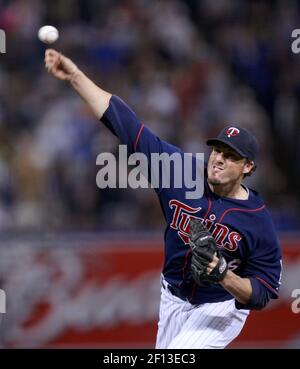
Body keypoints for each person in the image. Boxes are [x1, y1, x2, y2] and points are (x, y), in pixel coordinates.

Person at [44, 49, 282, 349]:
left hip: (220, 307)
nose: (219, 159)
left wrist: (224, 276)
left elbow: (262, 292)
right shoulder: (178, 172)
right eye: (218, 150)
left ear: (248, 167)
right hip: (171, 297)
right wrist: (76, 77)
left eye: (231, 156)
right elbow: (125, 124)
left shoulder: (257, 220)